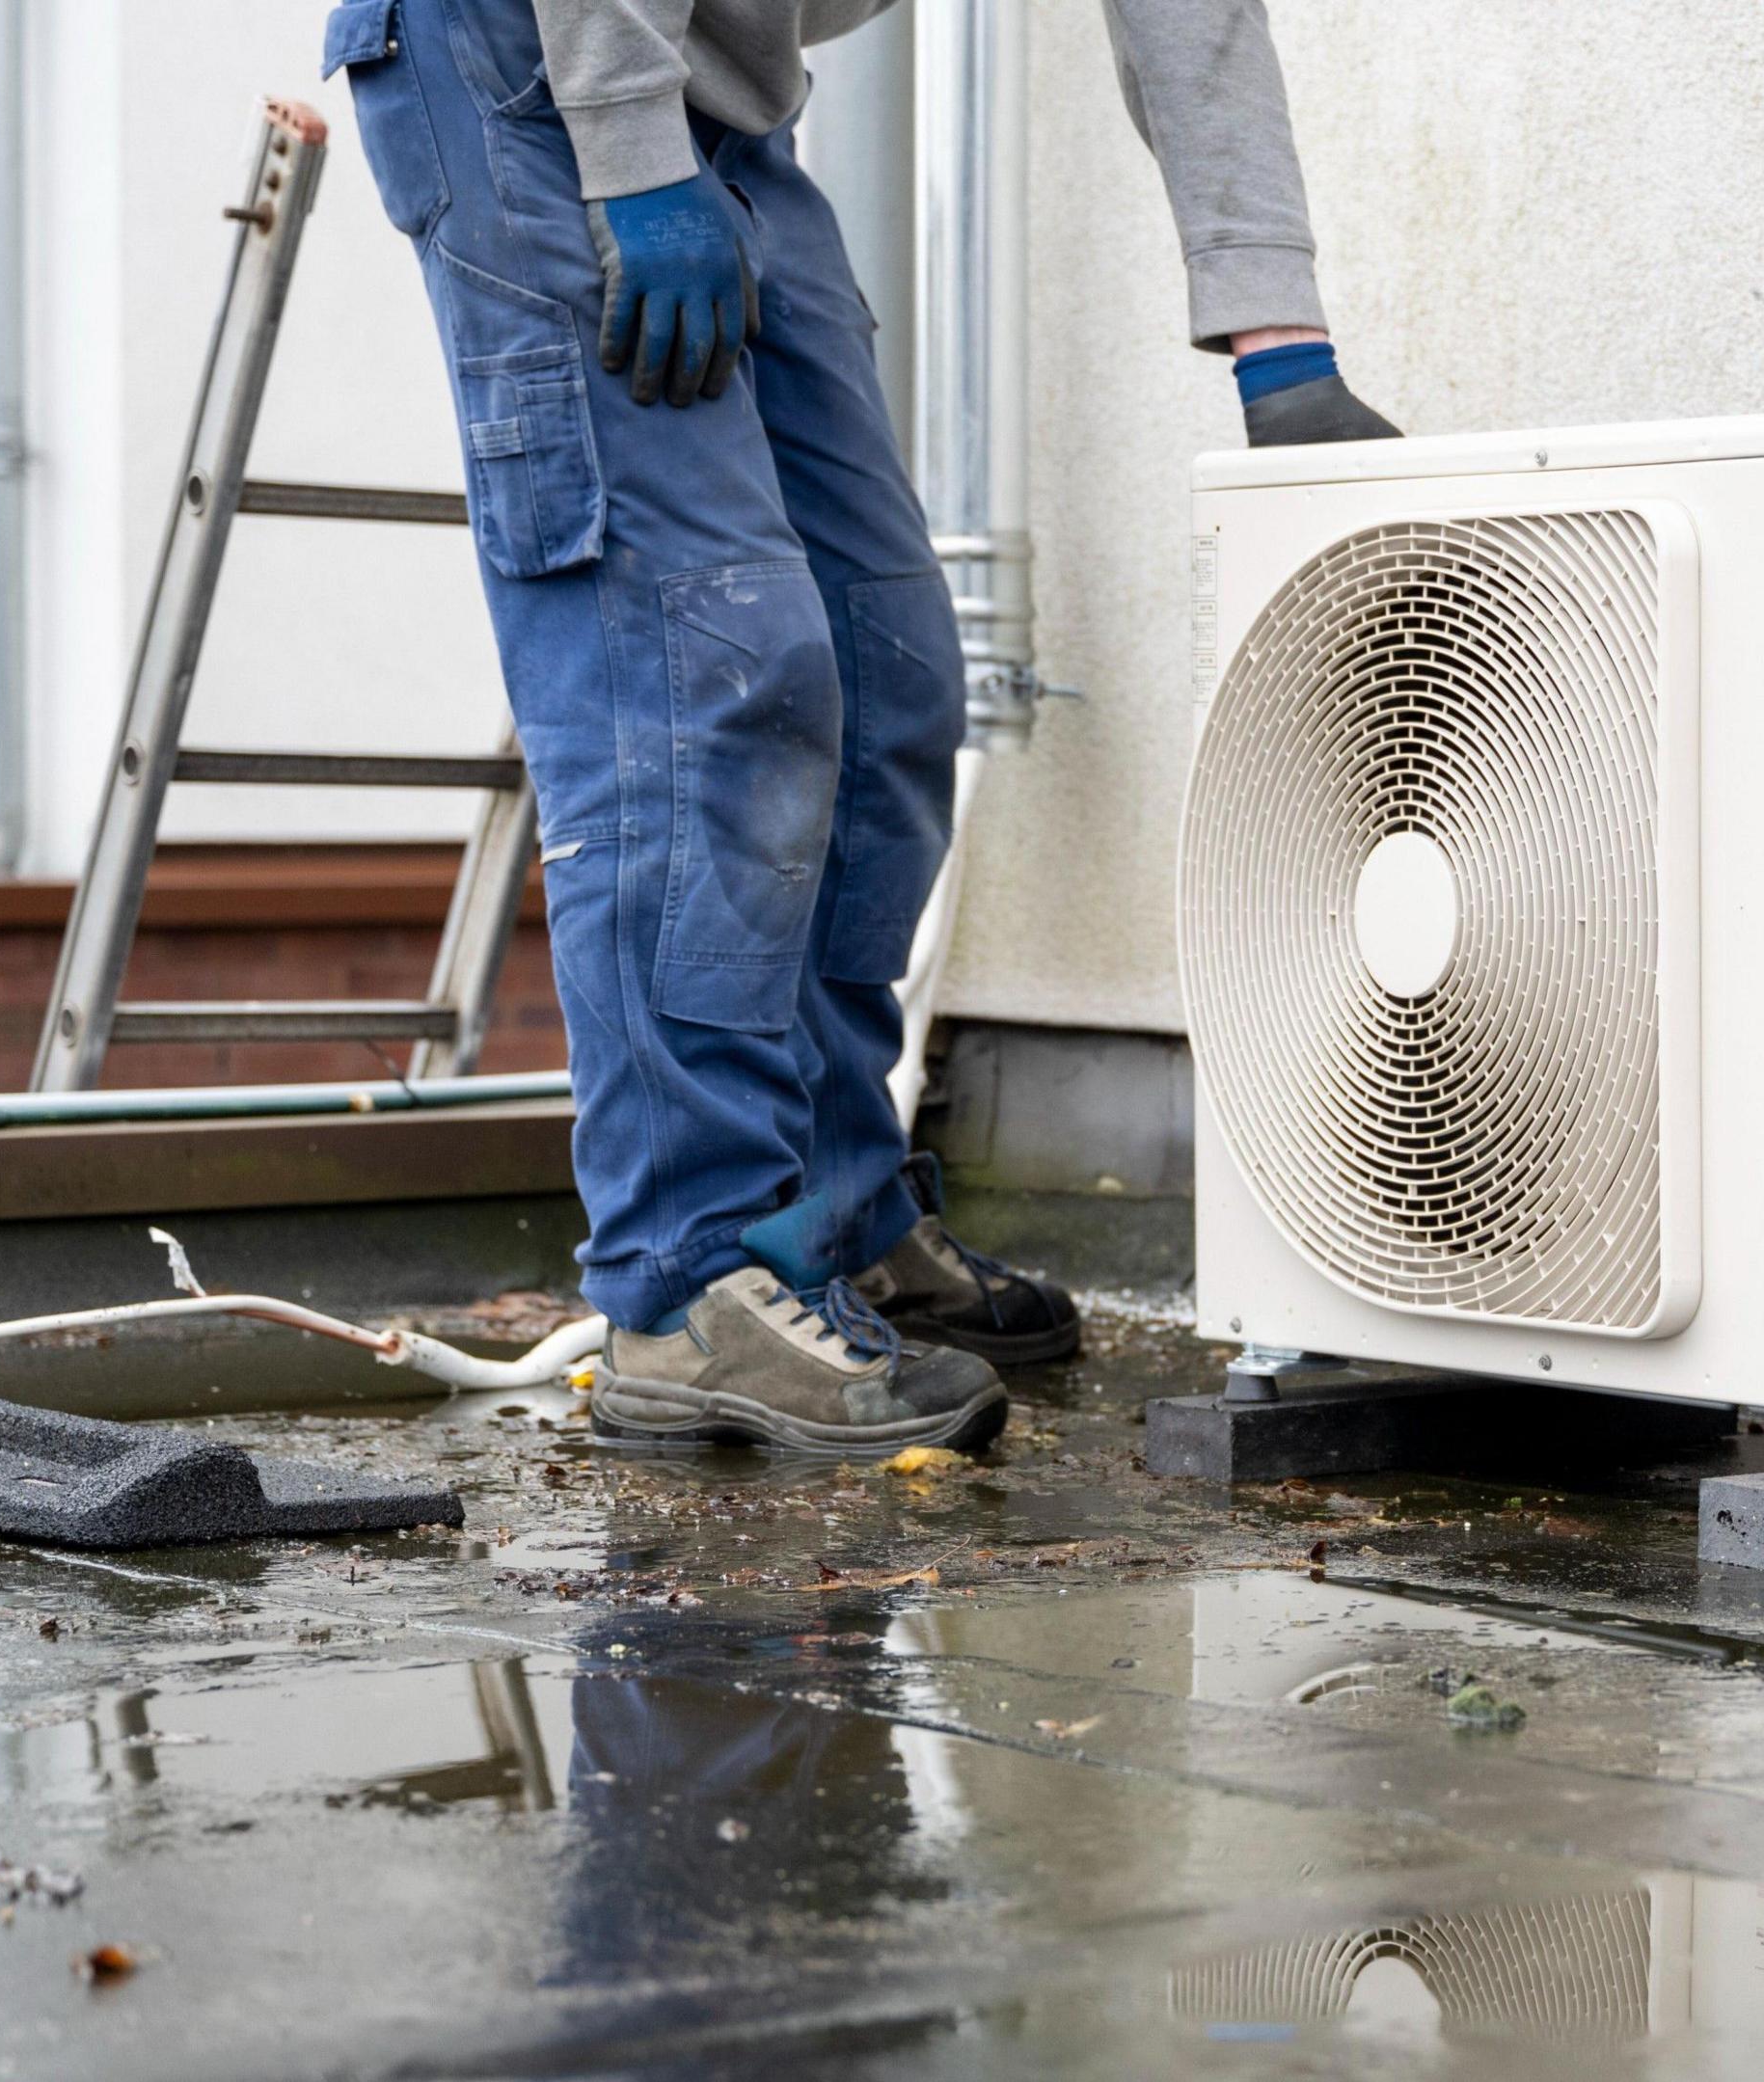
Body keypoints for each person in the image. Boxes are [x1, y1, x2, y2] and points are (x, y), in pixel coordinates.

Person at [324, 0, 1396, 1453]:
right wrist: (635, 157)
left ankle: (824, 1207)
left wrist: (1284, 349)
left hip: (727, 98)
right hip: (520, 57)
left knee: (888, 671)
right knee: (702, 662)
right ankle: (690, 1280)